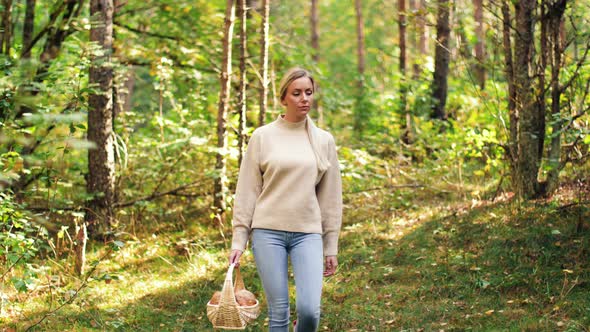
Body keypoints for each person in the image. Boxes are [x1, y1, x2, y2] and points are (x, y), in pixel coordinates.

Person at [228, 67, 343, 332]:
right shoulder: (263, 136)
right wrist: (239, 239)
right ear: (283, 98)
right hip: (268, 233)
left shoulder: (324, 141)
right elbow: (247, 190)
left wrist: (331, 245)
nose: (304, 98)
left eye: (309, 92)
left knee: (309, 311)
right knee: (279, 313)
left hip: (308, 234)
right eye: (297, 93)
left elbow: (331, 199)